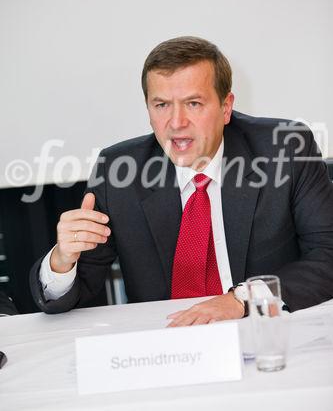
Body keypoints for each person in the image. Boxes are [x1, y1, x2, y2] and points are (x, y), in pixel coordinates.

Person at [30, 36, 333, 326]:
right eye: (161, 105)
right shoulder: (118, 171)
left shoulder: (285, 148)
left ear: (226, 107)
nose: (176, 123)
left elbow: (327, 256)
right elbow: (71, 294)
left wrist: (242, 299)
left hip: (259, 327)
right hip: (165, 349)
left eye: (193, 104)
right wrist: (62, 260)